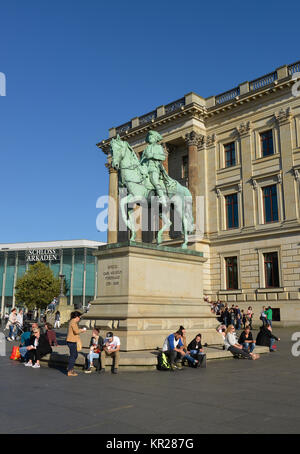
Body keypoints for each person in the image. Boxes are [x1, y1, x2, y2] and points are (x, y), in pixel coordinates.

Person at [66, 311, 86, 377]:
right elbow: (76, 331)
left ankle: (70, 368)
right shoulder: (73, 322)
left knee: (75, 355)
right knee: (73, 355)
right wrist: (82, 330)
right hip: (72, 341)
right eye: (79, 317)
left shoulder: (72, 322)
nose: (79, 319)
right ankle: (70, 370)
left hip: (72, 341)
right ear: (76, 317)